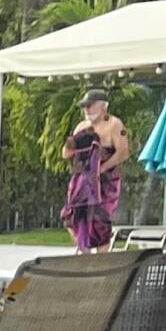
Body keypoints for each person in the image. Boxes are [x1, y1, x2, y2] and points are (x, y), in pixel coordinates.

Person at [62, 91, 132, 251]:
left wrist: (102, 169)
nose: (86, 110)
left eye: (90, 106)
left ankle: (102, 257)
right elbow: (66, 153)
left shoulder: (115, 124)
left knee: (100, 221)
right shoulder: (82, 127)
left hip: (105, 181)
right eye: (84, 107)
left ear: (103, 106)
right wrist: (70, 144)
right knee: (71, 217)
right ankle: (85, 254)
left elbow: (123, 152)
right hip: (81, 180)